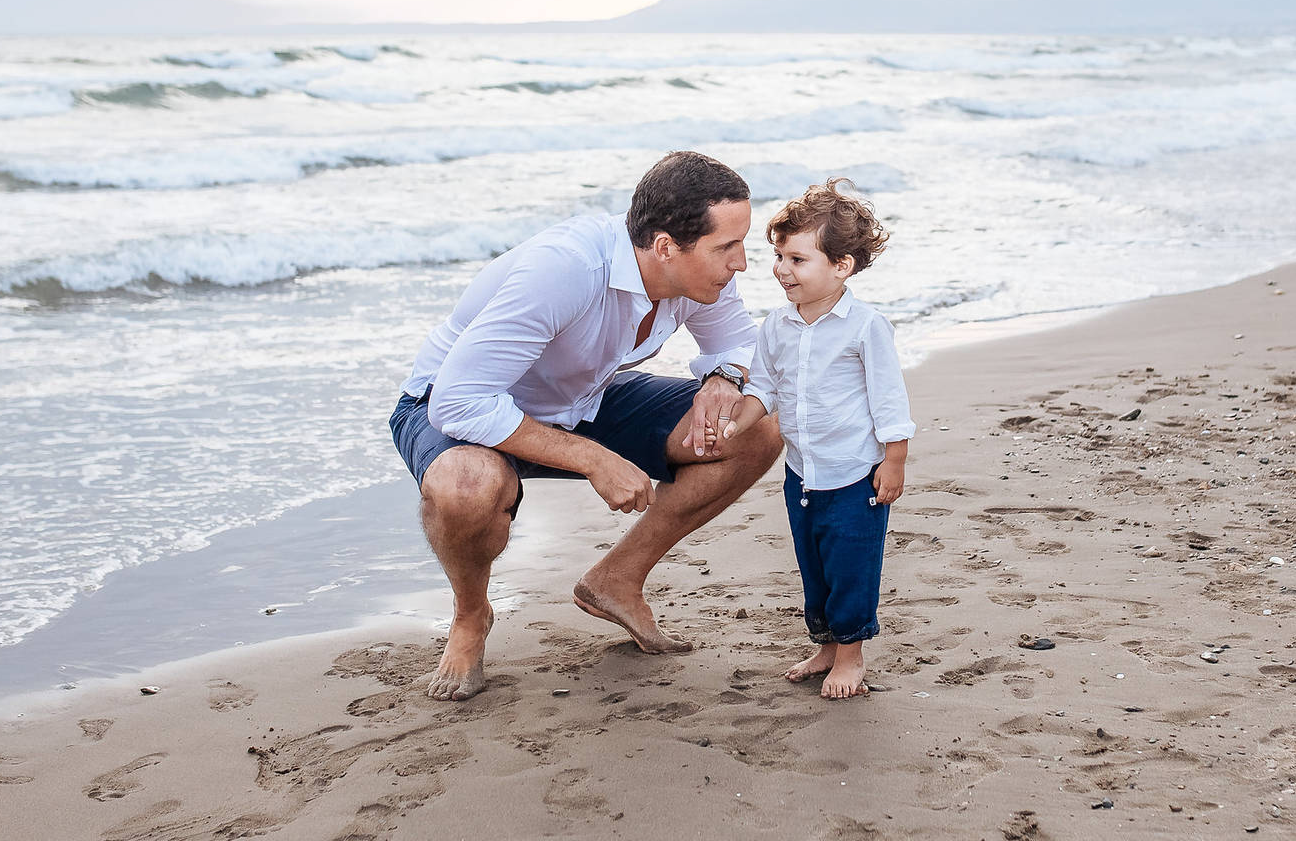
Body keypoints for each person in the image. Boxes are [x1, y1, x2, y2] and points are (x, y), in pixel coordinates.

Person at [390, 151, 784, 700]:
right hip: (459, 406)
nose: (741, 263)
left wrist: (722, 379)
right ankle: (470, 616)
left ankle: (616, 580)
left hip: (579, 402)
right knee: (468, 487)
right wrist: (594, 458)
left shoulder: (694, 279)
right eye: (727, 247)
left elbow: (740, 344)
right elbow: (460, 402)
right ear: (666, 247)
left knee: (752, 431)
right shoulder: (567, 269)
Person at [715, 179, 915, 699]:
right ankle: (826, 647)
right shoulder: (776, 326)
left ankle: (851, 657)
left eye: (797, 259)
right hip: (802, 473)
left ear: (841, 265)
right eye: (778, 256)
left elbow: (889, 400)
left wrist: (893, 461)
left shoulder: (866, 327)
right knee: (815, 563)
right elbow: (765, 387)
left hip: (855, 474)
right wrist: (738, 421)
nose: (781, 270)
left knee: (852, 565)